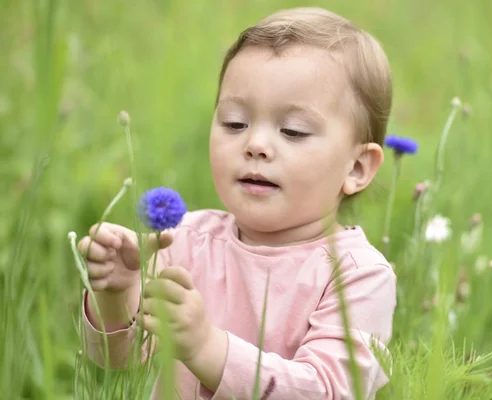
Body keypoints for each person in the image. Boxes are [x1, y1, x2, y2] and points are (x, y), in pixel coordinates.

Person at [78, 6, 397, 400]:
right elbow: (121, 358)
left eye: (293, 131)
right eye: (234, 123)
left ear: (358, 168)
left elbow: (328, 391)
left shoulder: (357, 276)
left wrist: (207, 348)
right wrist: (117, 293)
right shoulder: (186, 241)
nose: (256, 145)